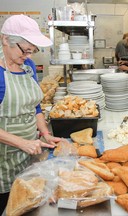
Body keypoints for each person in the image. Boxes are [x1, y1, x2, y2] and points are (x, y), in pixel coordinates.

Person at [0, 14, 61, 214]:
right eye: (25, 51)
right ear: (6, 40)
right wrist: (22, 142)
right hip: (3, 162)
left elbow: (35, 106)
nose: (29, 56)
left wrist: (44, 132)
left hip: (28, 157)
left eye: (32, 51)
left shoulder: (29, 67)